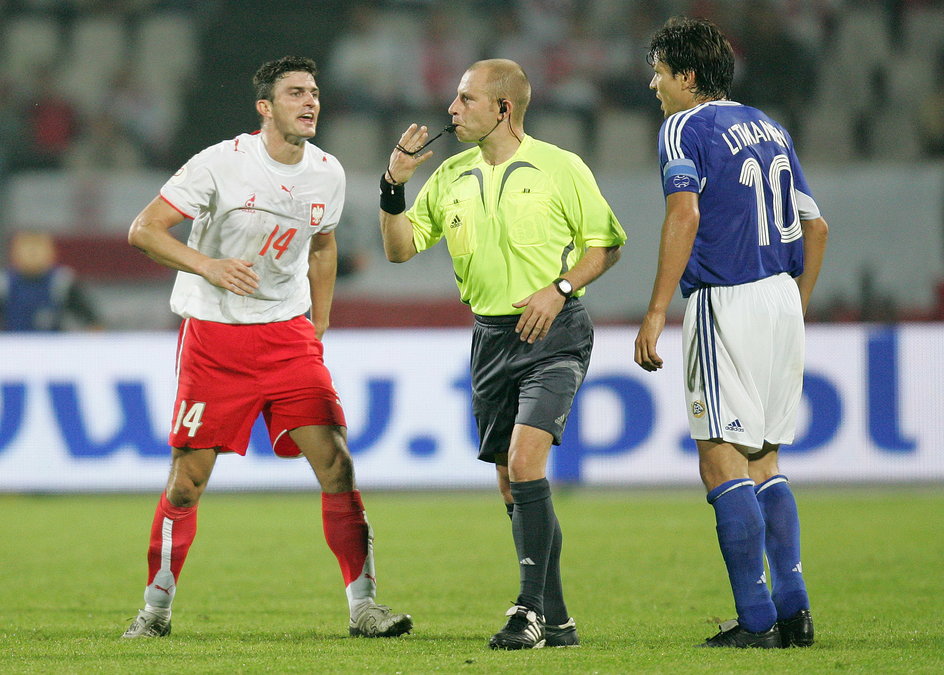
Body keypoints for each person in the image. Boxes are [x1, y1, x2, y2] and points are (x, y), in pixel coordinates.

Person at [121, 56, 412, 640]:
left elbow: (324, 246)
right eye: (295, 93)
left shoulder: (327, 172)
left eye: (315, 93)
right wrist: (209, 266)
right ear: (265, 107)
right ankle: (154, 611)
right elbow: (144, 230)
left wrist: (318, 321)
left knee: (337, 463)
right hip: (215, 337)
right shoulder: (220, 164)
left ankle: (365, 608)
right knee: (187, 481)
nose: (310, 102)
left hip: (287, 337)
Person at [378, 58, 625, 650]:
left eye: (465, 100)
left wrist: (559, 286)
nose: (452, 110)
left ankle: (527, 611)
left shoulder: (559, 168)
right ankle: (558, 620)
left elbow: (606, 245)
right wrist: (394, 186)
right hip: (490, 338)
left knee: (524, 462)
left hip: (554, 331)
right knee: (513, 487)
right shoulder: (452, 175)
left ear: (503, 109)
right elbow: (400, 249)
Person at [633, 18, 828, 648]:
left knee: (720, 458)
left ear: (687, 77)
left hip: (726, 297)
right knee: (765, 458)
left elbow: (683, 212)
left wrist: (658, 308)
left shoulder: (683, 126)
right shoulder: (770, 127)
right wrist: (796, 303)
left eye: (660, 71)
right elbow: (815, 227)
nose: (654, 85)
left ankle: (757, 619)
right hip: (780, 296)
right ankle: (794, 612)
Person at [0, 230, 103, 331]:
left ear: (51, 252)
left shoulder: (61, 282)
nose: (33, 253)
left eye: (38, 247)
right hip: (12, 345)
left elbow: (91, 320)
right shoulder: (4, 283)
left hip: (53, 345)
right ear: (14, 253)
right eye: (27, 248)